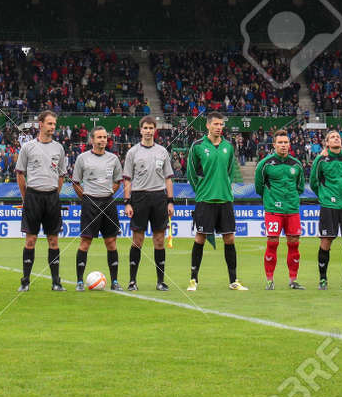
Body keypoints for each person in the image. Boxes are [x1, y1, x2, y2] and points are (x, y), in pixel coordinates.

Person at [187, 112, 247, 291]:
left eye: (221, 124)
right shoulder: (197, 146)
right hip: (205, 200)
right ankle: (193, 280)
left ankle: (233, 280)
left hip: (225, 199)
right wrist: (203, 191)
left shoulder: (228, 146)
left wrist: (223, 188)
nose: (219, 127)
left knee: (229, 238)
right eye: (215, 124)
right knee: (200, 238)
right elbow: (191, 174)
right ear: (208, 126)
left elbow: (229, 172)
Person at [122, 115, 175, 291]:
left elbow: (168, 178)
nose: (148, 131)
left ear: (155, 130)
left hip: (159, 197)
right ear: (140, 130)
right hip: (139, 197)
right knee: (138, 240)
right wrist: (127, 202)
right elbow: (127, 179)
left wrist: (170, 201)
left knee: (159, 240)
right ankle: (132, 281)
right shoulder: (133, 152)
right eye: (145, 128)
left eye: (151, 128)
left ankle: (160, 281)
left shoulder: (162, 151)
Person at [16, 111, 67, 291]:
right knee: (31, 240)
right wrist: (26, 197)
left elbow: (61, 175)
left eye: (54, 124)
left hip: (52, 197)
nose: (53, 127)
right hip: (33, 196)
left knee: (53, 240)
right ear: (40, 124)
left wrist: (55, 193)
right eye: (50, 124)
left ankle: (56, 281)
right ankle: (25, 281)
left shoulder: (59, 148)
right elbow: (20, 174)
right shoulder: (28, 147)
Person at [72, 126, 123, 291]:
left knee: (111, 242)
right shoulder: (82, 158)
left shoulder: (113, 159)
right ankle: (80, 281)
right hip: (90, 204)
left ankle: (115, 281)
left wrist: (108, 194)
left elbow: (117, 181)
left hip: (108, 203)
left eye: (104, 137)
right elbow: (76, 182)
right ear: (92, 140)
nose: (102, 140)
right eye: (99, 137)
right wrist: (86, 198)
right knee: (85, 242)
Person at [311, 130, 342, 290]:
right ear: (326, 143)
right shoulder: (321, 160)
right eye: (332, 137)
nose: (336, 139)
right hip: (329, 206)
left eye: (338, 137)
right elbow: (314, 182)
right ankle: (323, 280)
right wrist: (324, 196)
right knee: (326, 241)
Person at [254, 128, 304, 290]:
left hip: (292, 210)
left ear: (290, 144)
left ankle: (293, 280)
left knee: (294, 243)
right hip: (273, 210)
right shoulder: (265, 164)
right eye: (280, 142)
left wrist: (290, 199)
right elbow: (259, 187)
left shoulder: (296, 164)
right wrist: (271, 200)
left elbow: (300, 187)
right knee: (272, 242)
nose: (283, 145)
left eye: (286, 142)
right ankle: (270, 280)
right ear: (274, 145)